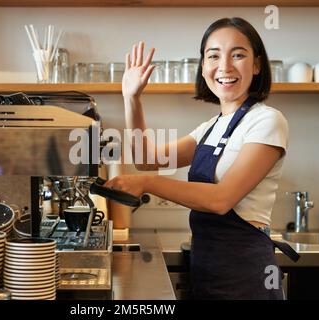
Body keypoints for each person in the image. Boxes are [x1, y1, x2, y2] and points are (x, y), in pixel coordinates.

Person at [104, 17, 299, 300]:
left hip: (246, 273)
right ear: (204, 66)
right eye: (214, 55)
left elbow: (221, 199)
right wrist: (131, 98)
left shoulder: (268, 121)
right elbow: (146, 158)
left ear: (257, 65)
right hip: (207, 266)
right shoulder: (212, 126)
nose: (225, 66)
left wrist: (146, 183)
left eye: (238, 54)